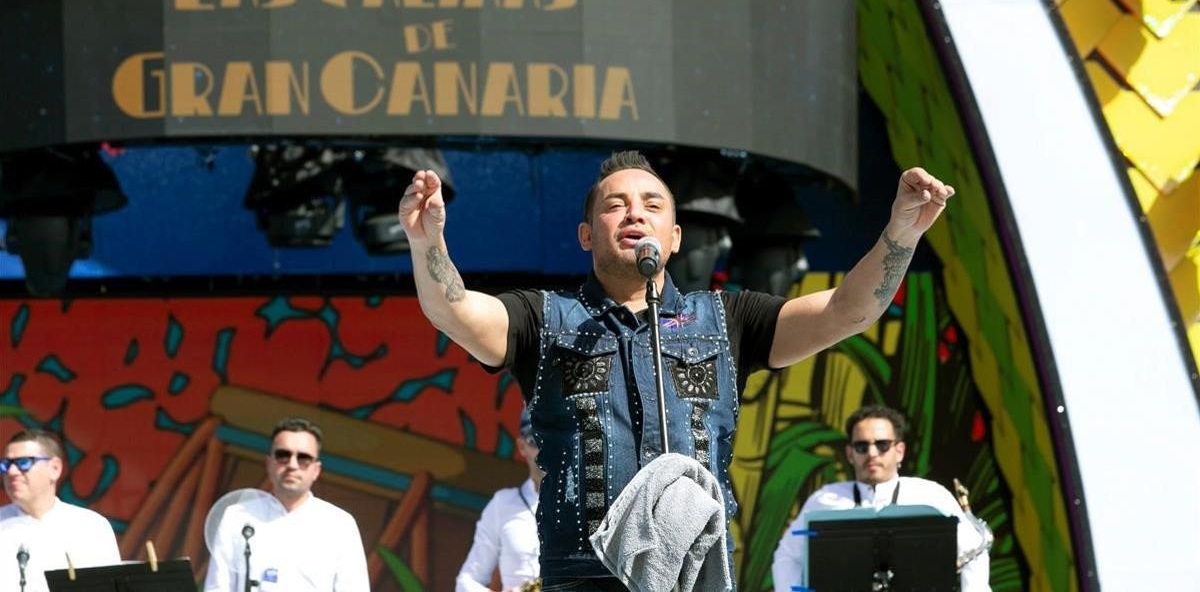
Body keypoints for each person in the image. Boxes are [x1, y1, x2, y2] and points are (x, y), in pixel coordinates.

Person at [400, 150, 955, 590]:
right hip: (584, 578)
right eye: (615, 205)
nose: (635, 212)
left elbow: (848, 311)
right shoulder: (543, 318)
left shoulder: (727, 319)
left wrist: (901, 234)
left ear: (675, 237)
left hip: (699, 574)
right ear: (587, 235)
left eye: (651, 204)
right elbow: (453, 309)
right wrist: (427, 243)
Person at [771, 406, 990, 591]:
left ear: (900, 451)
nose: (872, 453)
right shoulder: (824, 499)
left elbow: (974, 552)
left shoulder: (932, 495)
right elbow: (787, 556)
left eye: (882, 445)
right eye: (861, 446)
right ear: (850, 454)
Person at [203, 417, 369, 592]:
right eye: (283, 455)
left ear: (316, 470)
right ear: (269, 463)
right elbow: (217, 587)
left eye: (304, 458)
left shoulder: (339, 524)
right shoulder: (237, 517)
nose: (292, 464)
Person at [0, 429, 121, 592]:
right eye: (6, 464)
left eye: (24, 462)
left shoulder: (90, 526)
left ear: (55, 468)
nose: (12, 472)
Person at [456, 408, 543, 592]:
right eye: (534, 440)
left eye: (549, 439)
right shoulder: (503, 504)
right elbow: (466, 582)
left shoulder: (581, 505)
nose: (543, 449)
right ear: (521, 447)